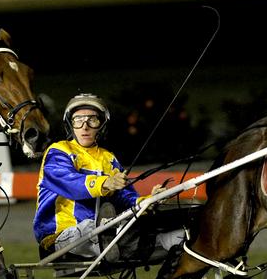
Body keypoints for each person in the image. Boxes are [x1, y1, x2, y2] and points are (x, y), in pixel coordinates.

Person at [32, 93, 183, 263]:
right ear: (70, 125)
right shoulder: (59, 151)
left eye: (92, 120)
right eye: (78, 120)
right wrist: (106, 182)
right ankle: (108, 237)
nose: (85, 126)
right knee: (95, 227)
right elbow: (70, 184)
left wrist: (147, 201)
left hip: (103, 230)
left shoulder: (108, 158)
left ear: (102, 125)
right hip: (59, 236)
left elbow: (125, 197)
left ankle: (176, 240)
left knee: (133, 221)